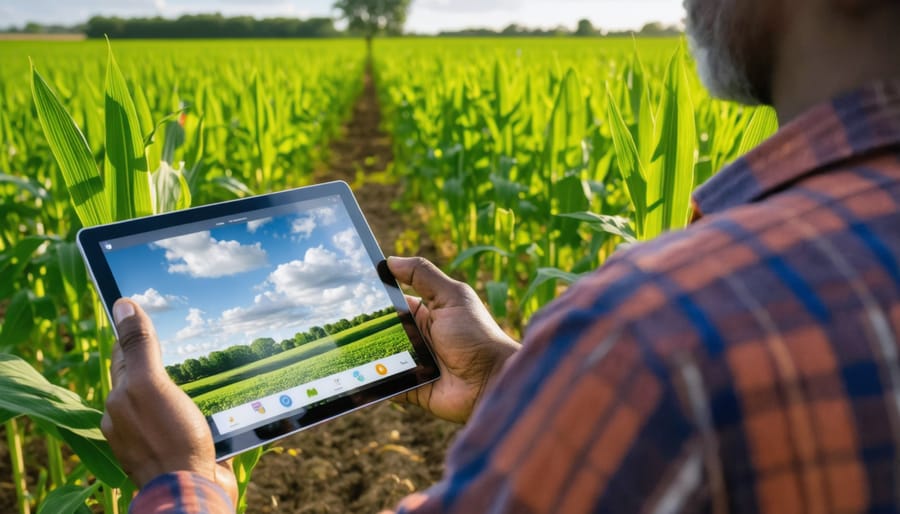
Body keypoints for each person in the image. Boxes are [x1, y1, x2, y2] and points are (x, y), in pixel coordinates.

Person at [101, 0, 900, 511]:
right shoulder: (670, 345)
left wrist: (184, 480)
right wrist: (517, 382)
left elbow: (671, 387)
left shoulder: (663, 332)